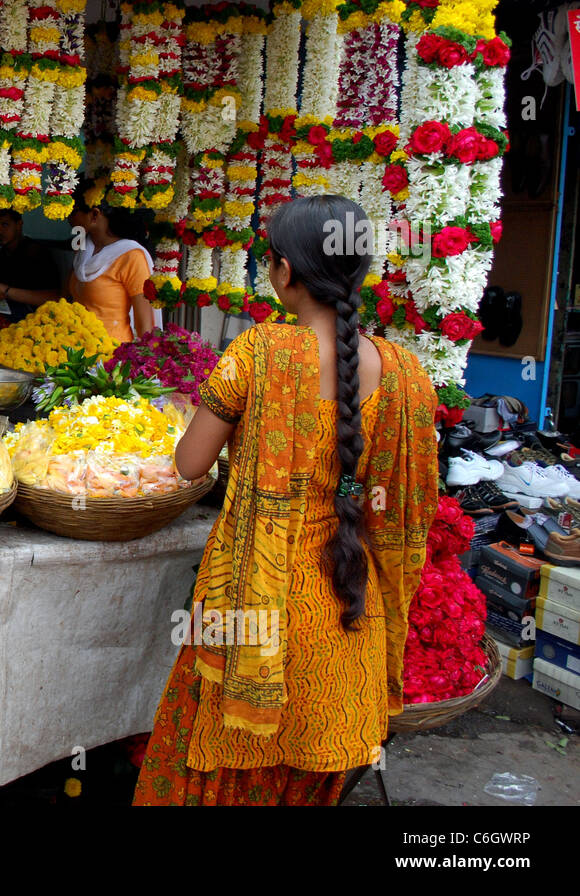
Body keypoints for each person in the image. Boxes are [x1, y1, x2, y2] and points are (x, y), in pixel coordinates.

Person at [132, 195, 439, 806]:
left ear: (284, 271)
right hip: (349, 612)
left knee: (218, 778)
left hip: (253, 611)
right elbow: (404, 518)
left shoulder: (259, 353)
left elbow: (191, 464)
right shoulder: (406, 375)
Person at [66, 182, 161, 343]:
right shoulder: (83, 249)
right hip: (76, 350)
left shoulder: (131, 256)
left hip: (112, 356)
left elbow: (145, 326)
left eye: (73, 212)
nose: (68, 217)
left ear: (94, 215)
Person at [0, 208, 62, 324]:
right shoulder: (2, 255)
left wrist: (5, 291)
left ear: (19, 224)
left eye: (5, 225)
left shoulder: (35, 253)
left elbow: (54, 297)